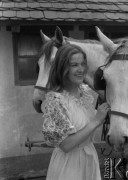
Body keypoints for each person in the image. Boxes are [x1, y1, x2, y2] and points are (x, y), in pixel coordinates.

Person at [41, 43, 109, 180]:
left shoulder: (84, 92)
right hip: (69, 165)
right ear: (62, 68)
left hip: (89, 157)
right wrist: (96, 120)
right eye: (74, 65)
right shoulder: (55, 100)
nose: (81, 69)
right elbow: (66, 145)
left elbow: (84, 125)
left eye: (83, 64)